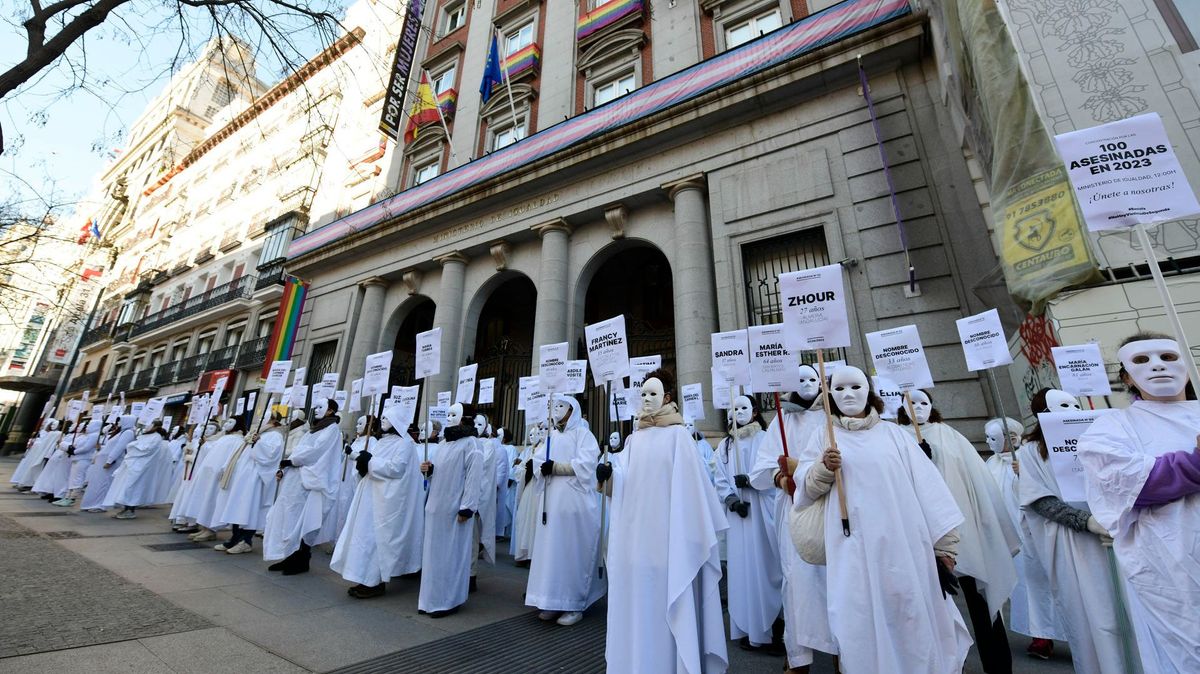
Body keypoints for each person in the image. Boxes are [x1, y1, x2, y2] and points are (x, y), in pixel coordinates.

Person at [793, 366, 971, 674]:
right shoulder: (822, 436)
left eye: (855, 386)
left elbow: (930, 490)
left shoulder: (894, 435)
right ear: (831, 395)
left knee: (910, 619)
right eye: (840, 388)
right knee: (859, 624)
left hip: (904, 551)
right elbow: (805, 491)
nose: (848, 394)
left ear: (869, 391)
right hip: (852, 553)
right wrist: (823, 467)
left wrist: (945, 547)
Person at [1079, 334, 1200, 673]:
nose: (1158, 365)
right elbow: (1133, 483)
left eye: (1168, 356)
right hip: (1174, 572)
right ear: (1127, 378)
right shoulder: (1112, 426)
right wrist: (1195, 462)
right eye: (1143, 360)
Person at [597, 368, 729, 673]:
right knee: (639, 609)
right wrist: (608, 478)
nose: (646, 399)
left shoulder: (679, 436)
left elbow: (692, 493)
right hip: (636, 546)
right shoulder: (633, 439)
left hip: (667, 546)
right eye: (642, 394)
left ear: (667, 397)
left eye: (652, 393)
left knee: (666, 608)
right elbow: (625, 486)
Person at [898, 390, 1020, 674]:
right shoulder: (895, 437)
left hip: (964, 533)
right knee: (935, 611)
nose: (918, 407)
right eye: (911, 402)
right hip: (921, 534)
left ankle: (998, 667)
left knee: (981, 603)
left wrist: (987, 524)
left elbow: (977, 482)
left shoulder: (951, 436)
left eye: (923, 402)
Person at [1018, 388, 1127, 674]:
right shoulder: (1030, 452)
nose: (1073, 411)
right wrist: (1086, 521)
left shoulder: (1102, 442)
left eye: (1075, 404)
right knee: (1089, 617)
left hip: (1115, 538)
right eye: (1062, 405)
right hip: (1072, 546)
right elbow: (1038, 499)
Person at [752, 366, 835, 674]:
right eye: (799, 380)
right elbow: (760, 470)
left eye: (813, 378)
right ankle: (798, 657)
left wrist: (802, 469)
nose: (807, 385)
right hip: (794, 512)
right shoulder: (782, 420)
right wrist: (779, 478)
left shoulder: (833, 417)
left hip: (830, 508)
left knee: (839, 581)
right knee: (798, 582)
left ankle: (845, 654)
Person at [526, 395, 604, 626]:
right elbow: (538, 460)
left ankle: (573, 604)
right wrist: (543, 467)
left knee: (570, 552)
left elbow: (587, 464)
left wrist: (558, 467)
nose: (557, 410)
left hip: (573, 503)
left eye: (562, 406)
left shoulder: (583, 434)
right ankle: (552, 600)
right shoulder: (552, 436)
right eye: (554, 406)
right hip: (552, 504)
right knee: (551, 552)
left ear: (573, 410)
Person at [332, 404, 424, 598]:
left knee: (378, 541)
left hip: (386, 503)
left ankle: (375, 582)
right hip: (369, 496)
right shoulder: (382, 442)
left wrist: (370, 462)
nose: (382, 421)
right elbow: (371, 465)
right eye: (382, 417)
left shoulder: (405, 444)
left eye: (387, 418)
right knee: (364, 538)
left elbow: (396, 469)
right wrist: (362, 463)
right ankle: (363, 577)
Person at [715, 394, 782, 652]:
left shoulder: (765, 440)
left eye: (743, 407)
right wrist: (732, 499)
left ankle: (773, 630)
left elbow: (773, 472)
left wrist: (753, 482)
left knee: (766, 570)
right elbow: (719, 476)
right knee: (742, 572)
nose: (737, 413)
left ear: (754, 412)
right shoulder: (724, 446)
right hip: (739, 519)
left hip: (762, 518)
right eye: (732, 408)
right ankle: (748, 627)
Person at [418, 403, 483, 617]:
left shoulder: (471, 443)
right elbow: (439, 473)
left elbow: (474, 477)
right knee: (433, 556)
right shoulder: (444, 443)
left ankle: (448, 600)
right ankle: (429, 599)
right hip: (436, 507)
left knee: (451, 556)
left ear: (466, 417)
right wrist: (429, 470)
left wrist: (467, 507)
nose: (449, 417)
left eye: (454, 414)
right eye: (448, 414)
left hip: (455, 510)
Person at [264, 398, 343, 575]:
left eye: (320, 407)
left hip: (311, 484)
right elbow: (300, 450)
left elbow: (316, 453)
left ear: (330, 411)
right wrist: (285, 469)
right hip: (295, 481)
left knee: (304, 521)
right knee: (289, 519)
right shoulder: (313, 430)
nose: (315, 409)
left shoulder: (331, 430)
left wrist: (292, 461)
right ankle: (289, 555)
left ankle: (301, 560)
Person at [212, 411, 286, 554]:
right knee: (236, 506)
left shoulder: (275, 435)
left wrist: (258, 443)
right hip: (241, 476)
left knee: (248, 508)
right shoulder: (256, 432)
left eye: (265, 417)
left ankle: (246, 541)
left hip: (254, 478)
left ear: (272, 420)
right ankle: (234, 538)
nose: (260, 419)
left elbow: (271, 456)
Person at [180, 417, 246, 541]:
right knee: (204, 499)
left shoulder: (238, 440)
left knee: (212, 500)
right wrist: (203, 444)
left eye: (231, 422)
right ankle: (204, 527)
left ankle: (210, 530)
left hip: (217, 475)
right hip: (208, 474)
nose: (227, 424)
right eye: (227, 421)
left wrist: (223, 469)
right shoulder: (223, 437)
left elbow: (232, 457)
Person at [106, 419, 169, 519]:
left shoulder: (156, 438)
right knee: (126, 487)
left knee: (133, 488)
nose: (147, 426)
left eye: (150, 424)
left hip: (141, 467)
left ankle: (130, 510)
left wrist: (132, 446)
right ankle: (126, 508)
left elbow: (146, 450)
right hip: (132, 465)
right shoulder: (145, 435)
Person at [170, 422, 220, 533]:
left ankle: (192, 522)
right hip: (189, 473)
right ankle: (181, 518)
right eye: (206, 428)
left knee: (194, 496)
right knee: (184, 495)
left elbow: (207, 457)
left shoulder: (214, 443)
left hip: (199, 473)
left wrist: (196, 452)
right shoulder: (198, 441)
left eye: (211, 429)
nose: (207, 431)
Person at [470, 414, 500, 592]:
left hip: (475, 497)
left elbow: (481, 468)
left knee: (472, 539)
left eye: (480, 423)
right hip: (456, 496)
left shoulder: (488, 445)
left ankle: (470, 575)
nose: (476, 426)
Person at [81, 417, 136, 512]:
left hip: (109, 463)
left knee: (103, 484)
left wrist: (109, 461)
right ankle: (91, 503)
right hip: (102, 461)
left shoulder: (128, 433)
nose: (119, 422)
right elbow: (110, 446)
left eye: (121, 420)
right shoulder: (120, 432)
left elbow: (119, 447)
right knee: (96, 483)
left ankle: (99, 505)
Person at [336, 415, 376, 535]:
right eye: (357, 423)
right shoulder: (357, 440)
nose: (356, 426)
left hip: (356, 481)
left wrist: (352, 453)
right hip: (346, 480)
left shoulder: (372, 442)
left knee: (350, 510)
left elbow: (367, 460)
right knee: (342, 508)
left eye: (360, 424)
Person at [510, 424, 543, 565]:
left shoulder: (548, 446)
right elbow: (522, 468)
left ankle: (534, 554)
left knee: (535, 520)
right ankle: (524, 553)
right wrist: (524, 468)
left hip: (539, 489)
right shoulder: (531, 450)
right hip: (529, 488)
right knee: (524, 519)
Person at [53, 417, 102, 507]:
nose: (87, 427)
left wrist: (74, 451)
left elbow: (86, 447)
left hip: (83, 459)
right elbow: (76, 444)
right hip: (76, 459)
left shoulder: (94, 435)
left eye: (90, 425)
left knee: (77, 479)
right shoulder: (86, 435)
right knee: (72, 479)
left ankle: (72, 498)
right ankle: (67, 497)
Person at [11, 419, 61, 491]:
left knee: (37, 469)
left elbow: (48, 444)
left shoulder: (55, 434)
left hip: (43, 454)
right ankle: (25, 483)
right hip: (35, 454)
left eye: (53, 424)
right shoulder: (43, 432)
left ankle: (31, 485)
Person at [32, 420, 75, 501]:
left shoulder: (73, 436)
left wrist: (62, 443)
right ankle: (48, 491)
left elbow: (70, 446)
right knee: (50, 475)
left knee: (58, 476)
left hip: (63, 457)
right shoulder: (66, 435)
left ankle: (56, 494)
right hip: (55, 456)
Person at [685, 418, 717, 484]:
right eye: (685, 425)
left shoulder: (703, 444)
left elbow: (712, 462)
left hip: (703, 479)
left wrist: (701, 461)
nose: (687, 427)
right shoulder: (679, 444)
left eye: (690, 425)